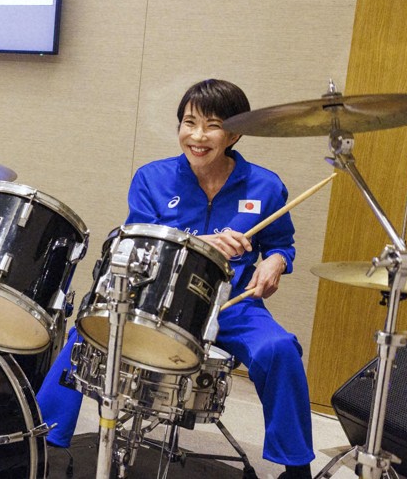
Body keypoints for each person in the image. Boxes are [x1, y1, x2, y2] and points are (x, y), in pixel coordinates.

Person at [36, 79, 315, 479]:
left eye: (213, 126)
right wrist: (201, 243)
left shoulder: (266, 186)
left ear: (235, 134)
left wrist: (275, 263)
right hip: (157, 300)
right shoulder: (152, 178)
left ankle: (297, 467)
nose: (197, 136)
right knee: (89, 329)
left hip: (233, 305)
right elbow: (135, 241)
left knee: (280, 349)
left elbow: (281, 244)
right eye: (189, 122)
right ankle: (46, 440)